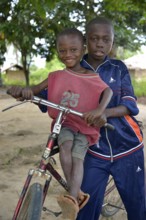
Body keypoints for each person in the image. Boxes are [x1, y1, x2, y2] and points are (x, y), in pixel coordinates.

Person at [7, 27, 113, 219]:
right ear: (57, 51)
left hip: (85, 126)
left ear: (82, 49)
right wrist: (23, 91)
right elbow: (34, 89)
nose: (67, 54)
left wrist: (99, 110)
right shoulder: (55, 76)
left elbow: (108, 91)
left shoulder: (91, 77)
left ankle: (72, 197)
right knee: (65, 147)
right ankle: (77, 194)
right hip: (64, 123)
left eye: (73, 50)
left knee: (77, 156)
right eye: (62, 50)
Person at [76, 17, 145, 220]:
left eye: (106, 39)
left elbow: (130, 105)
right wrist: (31, 93)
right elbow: (55, 94)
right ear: (85, 40)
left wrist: (104, 113)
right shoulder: (74, 70)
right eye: (95, 38)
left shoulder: (119, 68)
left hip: (128, 146)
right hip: (93, 151)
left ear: (112, 42)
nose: (100, 43)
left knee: (138, 206)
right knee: (86, 209)